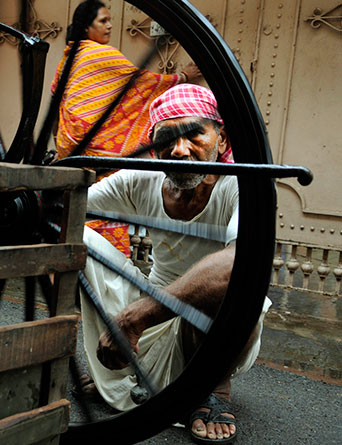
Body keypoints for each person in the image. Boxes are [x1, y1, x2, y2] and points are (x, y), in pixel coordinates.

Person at [80, 84, 270, 444]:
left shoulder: (239, 185)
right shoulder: (142, 179)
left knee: (241, 286)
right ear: (153, 144)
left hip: (212, 333)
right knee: (73, 237)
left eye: (194, 133)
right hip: (152, 323)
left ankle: (216, 388)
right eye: (167, 138)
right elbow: (67, 206)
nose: (180, 151)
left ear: (222, 137)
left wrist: (133, 317)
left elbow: (237, 264)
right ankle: (131, 373)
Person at [50, 0, 204, 256]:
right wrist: (183, 77)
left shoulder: (67, 60)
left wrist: (61, 142)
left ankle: (71, 256)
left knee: (77, 212)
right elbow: (140, 84)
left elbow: (59, 104)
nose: (109, 25)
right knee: (104, 214)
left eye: (110, 19)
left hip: (72, 154)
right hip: (101, 156)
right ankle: (104, 264)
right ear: (87, 27)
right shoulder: (101, 54)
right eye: (103, 20)